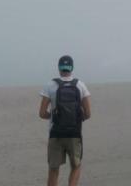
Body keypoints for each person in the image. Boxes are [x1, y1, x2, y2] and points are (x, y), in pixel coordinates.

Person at [39, 55, 91, 186]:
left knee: (53, 169)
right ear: (71, 68)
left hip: (56, 133)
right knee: (76, 166)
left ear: (59, 68)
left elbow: (41, 113)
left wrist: (53, 116)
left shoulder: (50, 85)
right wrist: (77, 118)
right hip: (74, 133)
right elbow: (88, 113)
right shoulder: (80, 85)